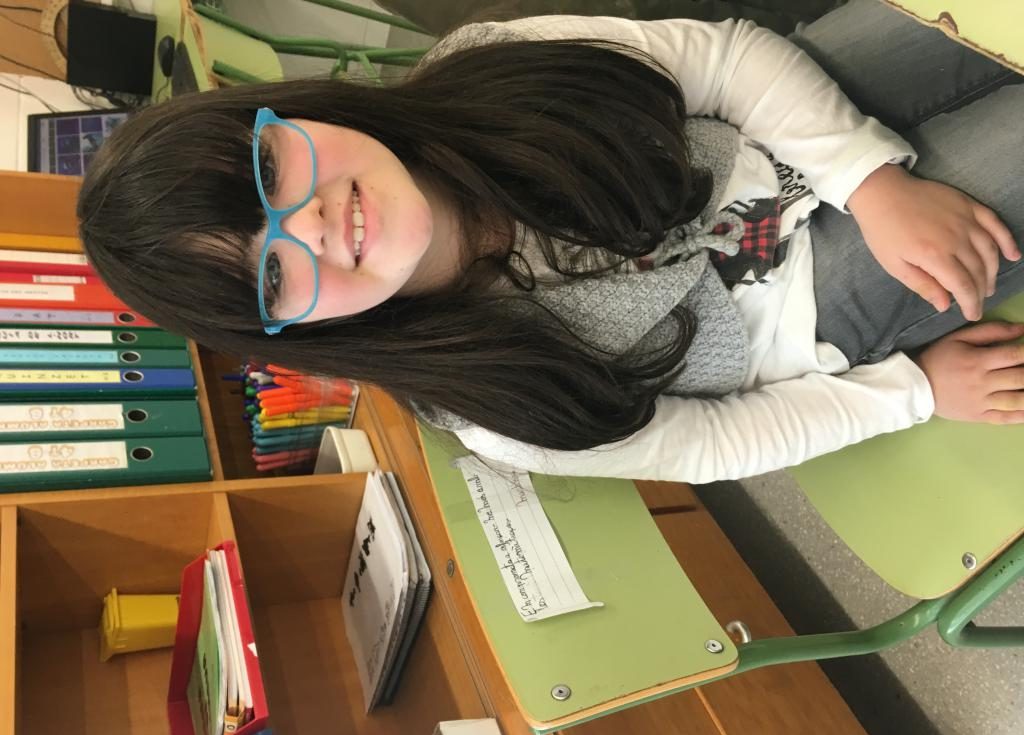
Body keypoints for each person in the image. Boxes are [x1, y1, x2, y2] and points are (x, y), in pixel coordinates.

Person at [77, 0, 1023, 483]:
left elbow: (727, 59)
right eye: (275, 275)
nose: (310, 225)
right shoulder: (498, 409)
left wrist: (872, 181)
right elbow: (708, 445)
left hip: (776, 126)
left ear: (285, 114)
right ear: (298, 331)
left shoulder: (485, 66)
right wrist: (912, 391)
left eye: (268, 172)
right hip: (813, 308)